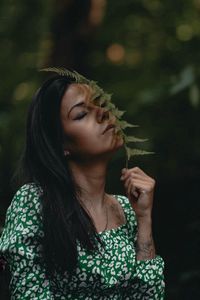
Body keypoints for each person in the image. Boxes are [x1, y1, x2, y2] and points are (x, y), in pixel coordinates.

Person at [0, 71, 165, 299]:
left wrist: (144, 219)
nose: (103, 112)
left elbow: (149, 296)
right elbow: (30, 292)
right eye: (81, 114)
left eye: (100, 104)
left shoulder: (125, 208)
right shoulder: (34, 203)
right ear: (59, 144)